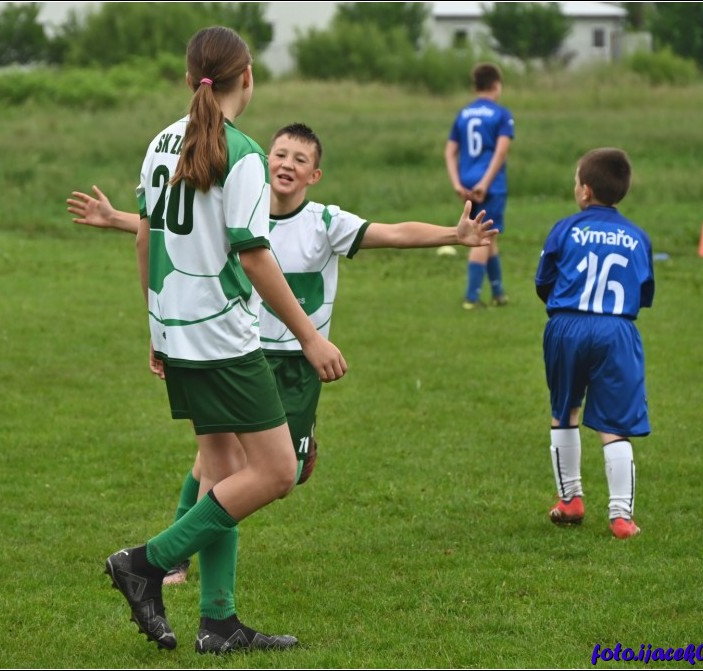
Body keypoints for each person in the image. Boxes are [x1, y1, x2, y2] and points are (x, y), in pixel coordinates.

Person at [69, 123, 498, 583]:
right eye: (279, 154)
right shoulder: (244, 212)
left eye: (299, 159)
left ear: (315, 175)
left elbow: (392, 232)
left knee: (276, 475)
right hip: (240, 352)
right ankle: (170, 558)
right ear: (265, 160)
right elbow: (174, 228)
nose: (286, 164)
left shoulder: (325, 223)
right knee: (219, 462)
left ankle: (174, 554)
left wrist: (453, 236)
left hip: (298, 365)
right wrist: (115, 218)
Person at [99, 26, 349, 656]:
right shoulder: (241, 153)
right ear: (249, 77)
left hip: (177, 333)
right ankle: (145, 563)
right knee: (275, 472)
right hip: (223, 340)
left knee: (223, 474)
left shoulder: (161, 142)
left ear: (191, 80)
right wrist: (308, 339)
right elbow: (256, 254)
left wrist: (155, 327)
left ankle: (219, 621)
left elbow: (145, 238)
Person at [534, 147, 654, 540]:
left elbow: (543, 282)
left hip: (566, 325)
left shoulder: (565, 228)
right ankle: (621, 517)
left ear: (585, 191)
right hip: (616, 330)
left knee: (564, 408)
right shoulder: (638, 237)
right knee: (615, 424)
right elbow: (644, 292)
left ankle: (570, 500)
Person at [444, 62, 515, 310]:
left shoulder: (463, 114)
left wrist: (456, 183)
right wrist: (485, 183)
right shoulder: (501, 114)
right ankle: (472, 298)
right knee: (480, 237)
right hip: (490, 186)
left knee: (489, 236)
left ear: (475, 86)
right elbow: (501, 151)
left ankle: (498, 293)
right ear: (497, 86)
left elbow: (450, 151)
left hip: (466, 183)